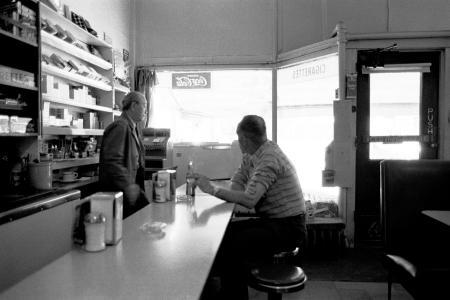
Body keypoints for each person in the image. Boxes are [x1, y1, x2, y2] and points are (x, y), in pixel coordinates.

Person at [194, 115, 307, 300]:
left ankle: (231, 295)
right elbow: (237, 184)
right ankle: (225, 290)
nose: (239, 145)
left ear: (244, 139)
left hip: (289, 227)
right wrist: (236, 191)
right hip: (274, 221)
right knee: (226, 234)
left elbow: (249, 199)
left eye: (239, 140)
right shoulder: (253, 154)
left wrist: (211, 189)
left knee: (233, 245)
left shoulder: (269, 158)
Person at [99, 91, 149, 218]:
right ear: (133, 105)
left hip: (129, 191)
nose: (146, 111)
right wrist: (129, 186)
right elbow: (112, 161)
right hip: (120, 193)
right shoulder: (120, 126)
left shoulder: (133, 127)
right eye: (144, 106)